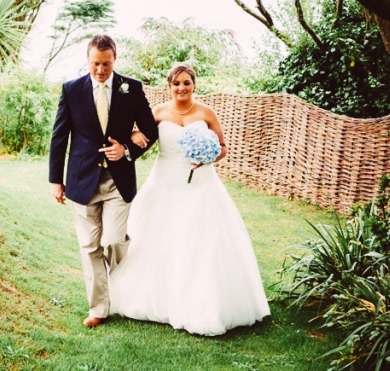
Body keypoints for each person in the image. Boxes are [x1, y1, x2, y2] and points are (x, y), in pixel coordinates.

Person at [109, 63, 270, 336]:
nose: (181, 88)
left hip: (201, 185)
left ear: (194, 84)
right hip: (163, 183)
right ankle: (159, 299)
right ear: (169, 86)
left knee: (200, 241)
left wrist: (208, 156)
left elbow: (223, 147)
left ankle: (202, 305)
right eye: (176, 83)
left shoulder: (206, 113)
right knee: (158, 237)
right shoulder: (158, 112)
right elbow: (139, 133)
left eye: (186, 82)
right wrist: (134, 134)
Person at [49, 34, 159, 328]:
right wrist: (55, 180)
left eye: (106, 64)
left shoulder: (131, 88)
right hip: (82, 180)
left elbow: (150, 129)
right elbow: (59, 137)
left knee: (112, 241)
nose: (100, 70)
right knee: (89, 246)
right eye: (95, 63)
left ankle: (123, 280)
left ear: (115, 59)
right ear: (88, 60)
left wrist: (127, 149)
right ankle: (99, 308)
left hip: (117, 181)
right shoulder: (71, 89)